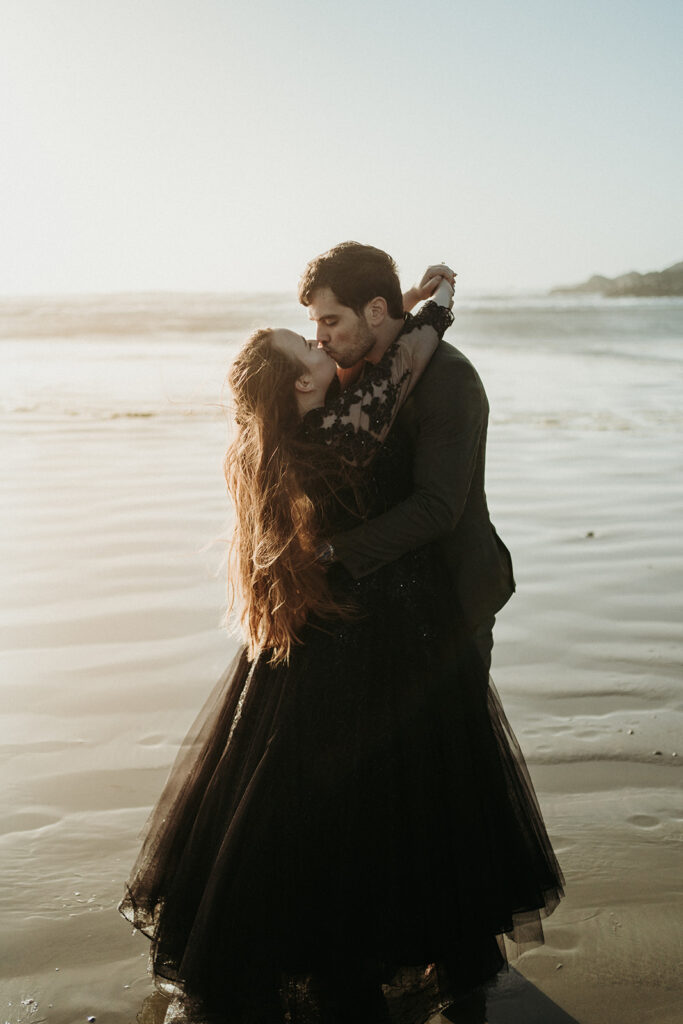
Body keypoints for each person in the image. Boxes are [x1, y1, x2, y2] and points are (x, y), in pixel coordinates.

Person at [119, 265, 563, 1024]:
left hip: (381, 615)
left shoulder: (322, 414)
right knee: (358, 794)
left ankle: (384, 938)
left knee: (376, 790)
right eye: (311, 340)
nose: (324, 343)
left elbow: (409, 383)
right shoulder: (333, 427)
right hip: (355, 624)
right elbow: (401, 370)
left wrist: (430, 308)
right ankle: (359, 950)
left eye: (325, 325)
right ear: (297, 388)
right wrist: (434, 310)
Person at [299, 243, 515, 673]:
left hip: (453, 596)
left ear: (376, 312)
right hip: (373, 597)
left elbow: (437, 508)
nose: (320, 337)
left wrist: (330, 552)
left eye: (331, 321)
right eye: (316, 323)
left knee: (453, 737)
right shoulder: (345, 372)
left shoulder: (450, 379)